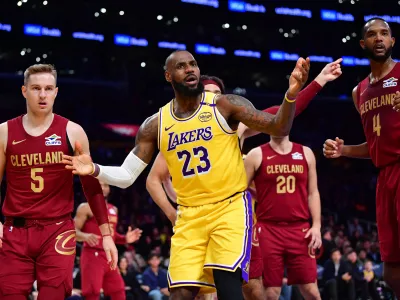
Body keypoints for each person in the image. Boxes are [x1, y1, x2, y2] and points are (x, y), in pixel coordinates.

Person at [63, 50, 310, 300]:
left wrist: (291, 94)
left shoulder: (225, 105)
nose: (190, 69)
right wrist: (94, 169)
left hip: (229, 208)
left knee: (227, 285)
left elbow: (279, 125)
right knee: (180, 294)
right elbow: (128, 175)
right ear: (168, 76)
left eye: (193, 64)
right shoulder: (156, 123)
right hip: (189, 215)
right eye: (181, 66)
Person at [146, 60, 343, 300]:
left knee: (253, 289)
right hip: (197, 219)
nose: (213, 100)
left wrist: (318, 81)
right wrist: (174, 208)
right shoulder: (179, 131)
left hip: (235, 218)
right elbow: (156, 178)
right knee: (199, 293)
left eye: (218, 95)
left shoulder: (235, 124)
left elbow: (281, 113)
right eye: (208, 94)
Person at [0, 64, 118, 300]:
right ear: (24, 91)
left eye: (48, 88)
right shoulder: (4, 132)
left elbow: (91, 187)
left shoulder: (73, 131)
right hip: (15, 231)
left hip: (57, 231)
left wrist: (106, 235)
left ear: (56, 92)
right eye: (35, 88)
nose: (42, 95)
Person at [323, 17, 400, 297]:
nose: (379, 38)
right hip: (385, 178)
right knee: (391, 268)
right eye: (372, 34)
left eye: (385, 33)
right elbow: (376, 144)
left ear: (392, 41)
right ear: (362, 43)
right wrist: (344, 150)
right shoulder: (359, 92)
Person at [243, 134, 322, 300]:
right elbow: (239, 190)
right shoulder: (256, 154)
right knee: (271, 293)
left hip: (300, 229)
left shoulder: (306, 153)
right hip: (268, 229)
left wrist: (316, 226)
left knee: (311, 291)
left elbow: (313, 192)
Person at [74, 180, 142, 300]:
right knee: (92, 292)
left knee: (118, 290)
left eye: (105, 185)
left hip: (109, 255)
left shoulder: (113, 209)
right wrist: (85, 236)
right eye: (99, 185)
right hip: (92, 254)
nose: (103, 188)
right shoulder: (85, 207)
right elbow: (72, 231)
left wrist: (125, 239)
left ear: (109, 188)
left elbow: (111, 236)